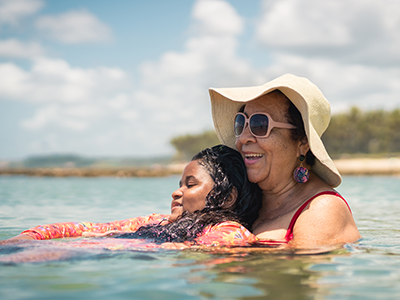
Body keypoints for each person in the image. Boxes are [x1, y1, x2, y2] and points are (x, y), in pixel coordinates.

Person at [3, 145, 262, 249]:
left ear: (227, 197)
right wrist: (32, 236)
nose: (176, 191)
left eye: (190, 184)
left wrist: (107, 246)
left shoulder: (228, 230)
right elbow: (90, 228)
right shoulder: (159, 221)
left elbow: (205, 249)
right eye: (179, 183)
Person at [209, 74, 361, 248]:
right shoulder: (242, 200)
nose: (243, 138)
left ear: (302, 142)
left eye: (260, 125)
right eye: (240, 123)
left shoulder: (323, 209)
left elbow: (297, 267)